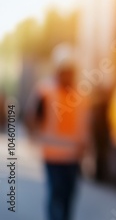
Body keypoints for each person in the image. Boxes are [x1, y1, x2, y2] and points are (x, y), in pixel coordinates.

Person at [26, 43, 89, 220]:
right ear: (58, 71)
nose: (68, 75)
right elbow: (33, 118)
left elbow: (85, 125)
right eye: (65, 70)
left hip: (73, 157)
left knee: (68, 197)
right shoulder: (45, 91)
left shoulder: (81, 94)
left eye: (70, 70)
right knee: (56, 196)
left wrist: (85, 147)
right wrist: (34, 138)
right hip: (53, 156)